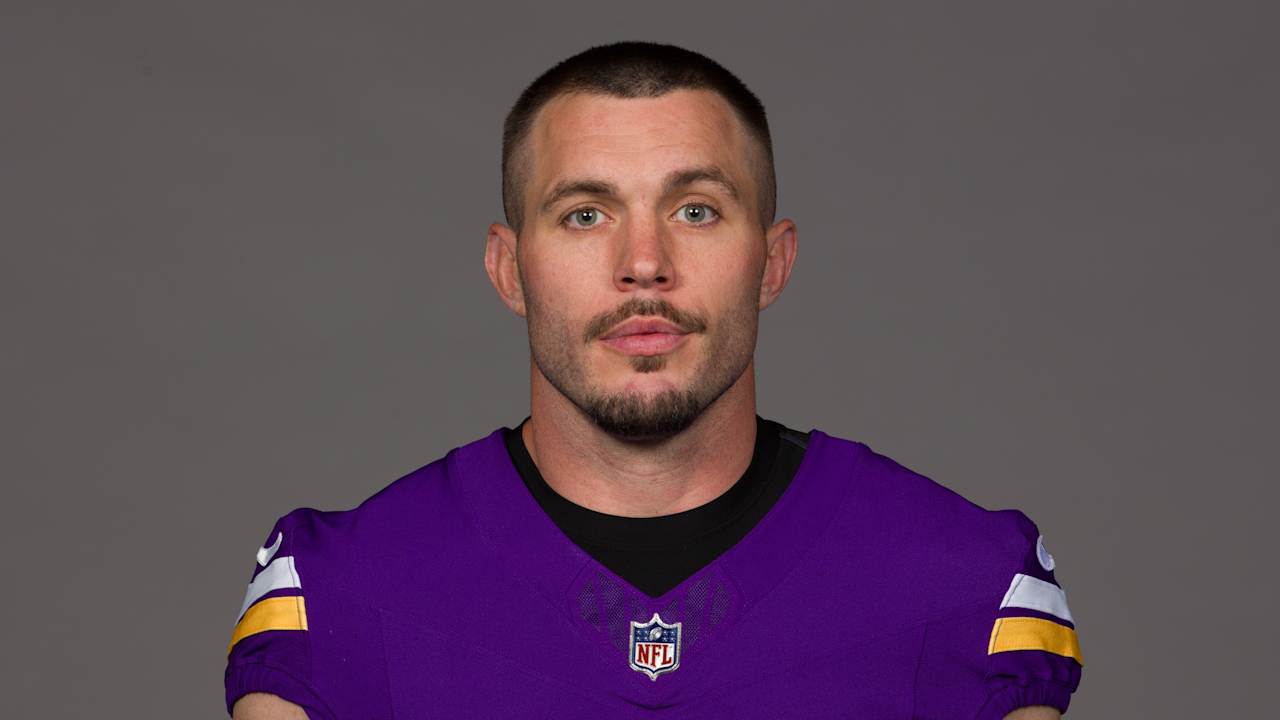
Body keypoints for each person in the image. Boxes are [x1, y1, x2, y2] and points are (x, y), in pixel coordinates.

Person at [225, 41, 1083, 719]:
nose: (644, 264)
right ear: (509, 267)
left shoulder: (961, 584)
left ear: (772, 262)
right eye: (585, 214)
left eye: (696, 210)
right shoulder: (343, 593)